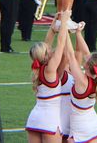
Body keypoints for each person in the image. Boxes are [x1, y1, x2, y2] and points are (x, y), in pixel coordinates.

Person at [26, 10, 70, 142]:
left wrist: (52, 26)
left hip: (34, 119)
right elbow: (61, 43)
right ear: (46, 55)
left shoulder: (39, 68)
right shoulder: (50, 69)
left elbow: (46, 45)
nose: (51, 50)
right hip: (49, 120)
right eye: (49, 51)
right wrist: (64, 22)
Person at [65, 30, 97, 143]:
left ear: (88, 65)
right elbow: (86, 51)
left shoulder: (82, 80)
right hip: (92, 125)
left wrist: (64, 30)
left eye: (87, 59)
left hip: (80, 128)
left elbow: (70, 55)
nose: (85, 57)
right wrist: (78, 33)